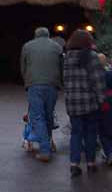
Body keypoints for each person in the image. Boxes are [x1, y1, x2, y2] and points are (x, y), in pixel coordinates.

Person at [64, 30, 106, 177]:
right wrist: (101, 100)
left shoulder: (67, 58)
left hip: (72, 103)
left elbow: (66, 80)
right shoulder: (92, 57)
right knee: (90, 133)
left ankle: (74, 164)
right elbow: (98, 80)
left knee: (76, 133)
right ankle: (90, 163)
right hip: (89, 103)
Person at [20, 27, 63, 162]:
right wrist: (60, 82)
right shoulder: (57, 47)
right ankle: (48, 142)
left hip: (34, 85)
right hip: (52, 85)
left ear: (36, 35)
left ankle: (45, 150)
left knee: (38, 116)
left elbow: (23, 66)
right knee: (48, 115)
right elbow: (61, 66)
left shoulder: (27, 46)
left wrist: (27, 81)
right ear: (48, 35)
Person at [97, 53, 112, 166]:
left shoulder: (96, 74)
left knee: (103, 131)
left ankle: (109, 153)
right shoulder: (109, 73)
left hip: (103, 104)